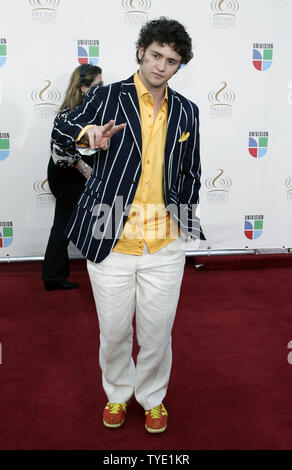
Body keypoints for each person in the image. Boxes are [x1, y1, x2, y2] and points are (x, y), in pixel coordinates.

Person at [51, 17, 204, 433]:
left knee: (157, 334)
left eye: (171, 61)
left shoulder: (187, 110)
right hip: (110, 236)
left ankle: (152, 397)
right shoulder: (108, 97)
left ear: (178, 66)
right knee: (115, 332)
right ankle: (117, 393)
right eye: (155, 55)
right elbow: (63, 130)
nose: (161, 66)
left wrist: (185, 222)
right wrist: (88, 136)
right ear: (141, 52)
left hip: (165, 243)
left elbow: (191, 172)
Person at [42, 64, 103, 291]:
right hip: (68, 175)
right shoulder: (70, 114)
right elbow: (59, 150)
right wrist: (84, 169)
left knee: (63, 224)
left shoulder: (88, 111)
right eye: (98, 85)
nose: (102, 89)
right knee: (70, 224)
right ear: (84, 87)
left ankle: (53, 276)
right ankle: (103, 273)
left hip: (74, 175)